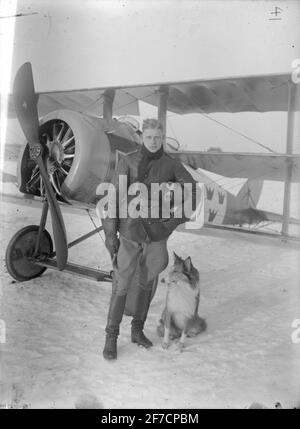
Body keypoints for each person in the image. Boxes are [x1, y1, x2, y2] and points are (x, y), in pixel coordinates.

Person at [99, 118, 198, 360]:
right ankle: (111, 337)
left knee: (146, 283)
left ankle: (137, 331)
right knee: (121, 285)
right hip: (130, 234)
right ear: (142, 137)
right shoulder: (128, 162)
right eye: (149, 137)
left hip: (156, 238)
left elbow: (194, 192)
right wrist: (111, 234)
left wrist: (173, 221)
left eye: (158, 137)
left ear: (162, 138)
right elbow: (112, 199)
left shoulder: (171, 165)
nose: (153, 142)